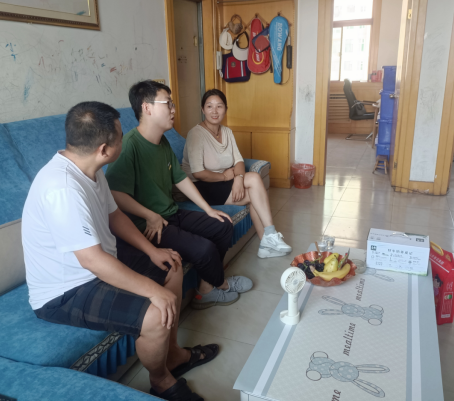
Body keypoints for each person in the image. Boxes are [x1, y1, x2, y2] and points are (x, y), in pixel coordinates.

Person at [22, 102, 213, 401]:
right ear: (104, 149)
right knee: (155, 314)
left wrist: (152, 251)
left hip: (98, 264)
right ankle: (161, 381)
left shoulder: (90, 169)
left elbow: (115, 216)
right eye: (121, 136)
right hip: (65, 291)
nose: (125, 139)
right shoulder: (62, 188)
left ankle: (173, 354)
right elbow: (92, 261)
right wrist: (153, 291)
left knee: (171, 265)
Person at [105, 80, 253, 311]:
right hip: (148, 226)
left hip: (170, 213)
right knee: (204, 249)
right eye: (167, 103)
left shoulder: (162, 141)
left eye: (172, 103)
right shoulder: (129, 146)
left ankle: (207, 287)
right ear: (147, 108)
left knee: (223, 224)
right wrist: (149, 215)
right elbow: (114, 194)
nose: (173, 109)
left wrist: (208, 209)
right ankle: (219, 285)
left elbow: (180, 178)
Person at [182, 89, 292, 259]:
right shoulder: (196, 134)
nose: (214, 111)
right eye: (209, 106)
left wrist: (238, 180)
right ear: (203, 109)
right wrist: (225, 177)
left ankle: (266, 242)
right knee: (254, 182)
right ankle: (269, 237)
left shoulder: (227, 132)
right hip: (201, 187)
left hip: (222, 183)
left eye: (219, 106)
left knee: (254, 192)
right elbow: (198, 173)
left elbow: (239, 161)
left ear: (225, 109)